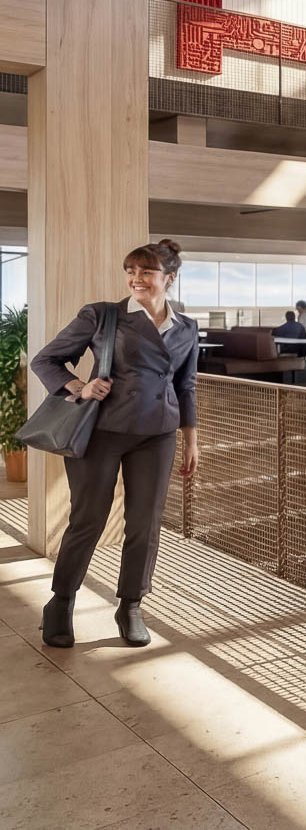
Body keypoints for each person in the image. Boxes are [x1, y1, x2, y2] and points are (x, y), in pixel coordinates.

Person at [30, 239, 201, 648]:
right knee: (88, 519)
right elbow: (46, 360)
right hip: (102, 432)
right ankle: (61, 601)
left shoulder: (186, 327)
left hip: (158, 434)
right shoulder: (103, 315)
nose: (135, 279)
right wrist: (80, 386)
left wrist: (191, 438)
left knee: (145, 523)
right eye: (130, 271)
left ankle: (131, 606)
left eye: (146, 272)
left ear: (169, 278)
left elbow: (186, 385)